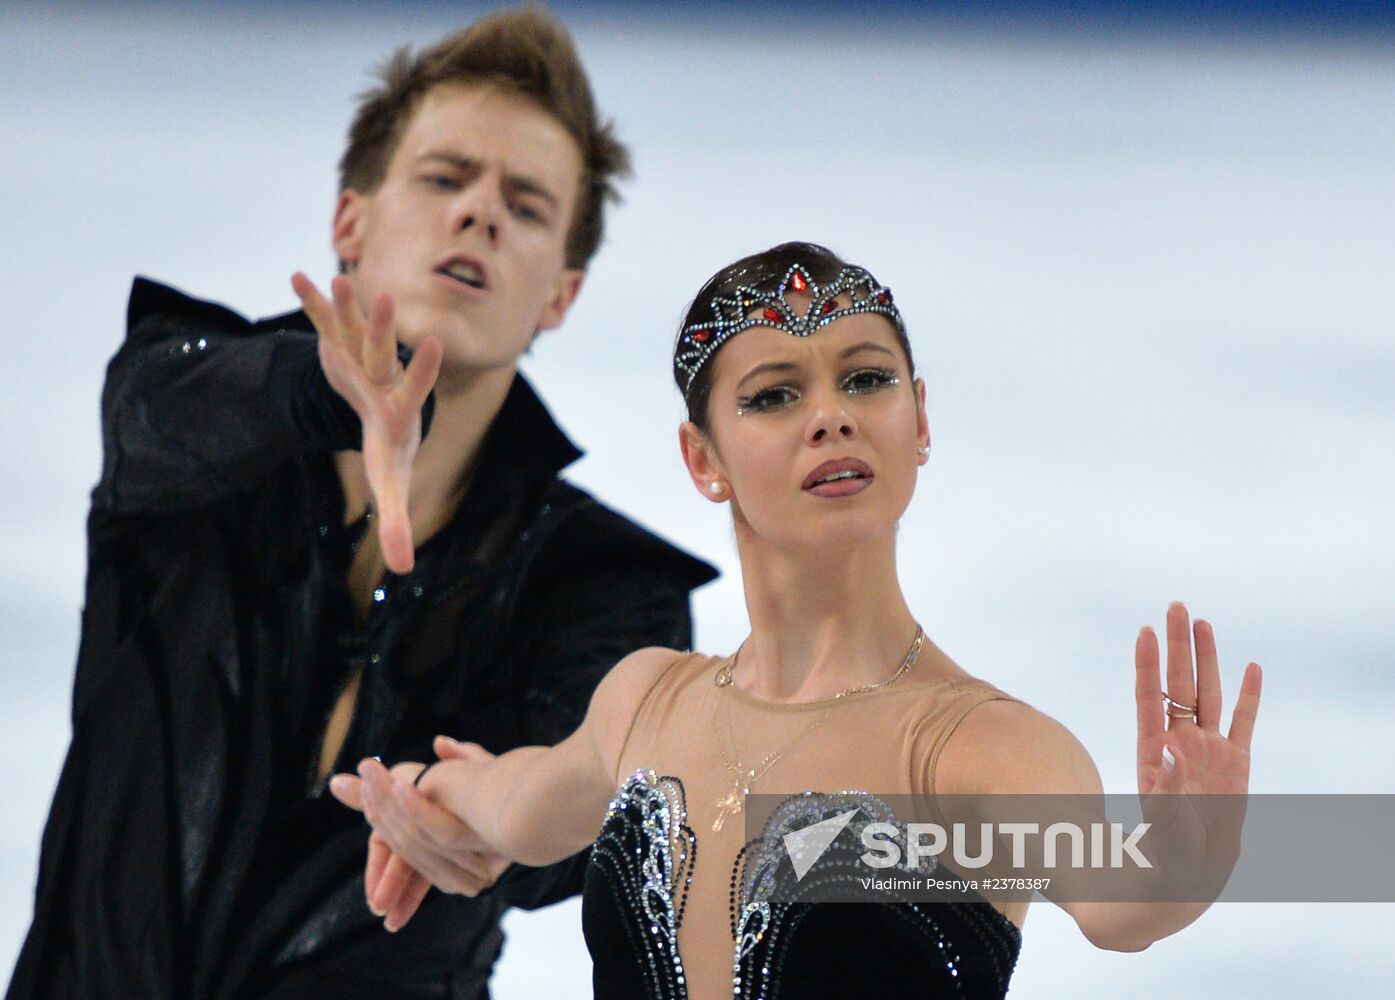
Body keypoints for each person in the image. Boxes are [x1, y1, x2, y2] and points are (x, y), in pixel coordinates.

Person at [332, 241, 1265, 999]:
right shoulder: (645, 702)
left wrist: (1192, 856)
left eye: (866, 380)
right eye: (774, 394)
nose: (831, 418)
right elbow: (512, 804)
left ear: (920, 419)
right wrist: (412, 799)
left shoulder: (976, 751)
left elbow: (1118, 901)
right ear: (704, 459)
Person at [6, 8, 714, 1000]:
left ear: (560, 294)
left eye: (525, 202)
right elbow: (161, 409)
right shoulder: (185, 419)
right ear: (352, 222)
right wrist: (331, 396)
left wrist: (496, 815)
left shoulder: (603, 588)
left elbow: (598, 797)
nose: (480, 213)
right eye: (444, 177)